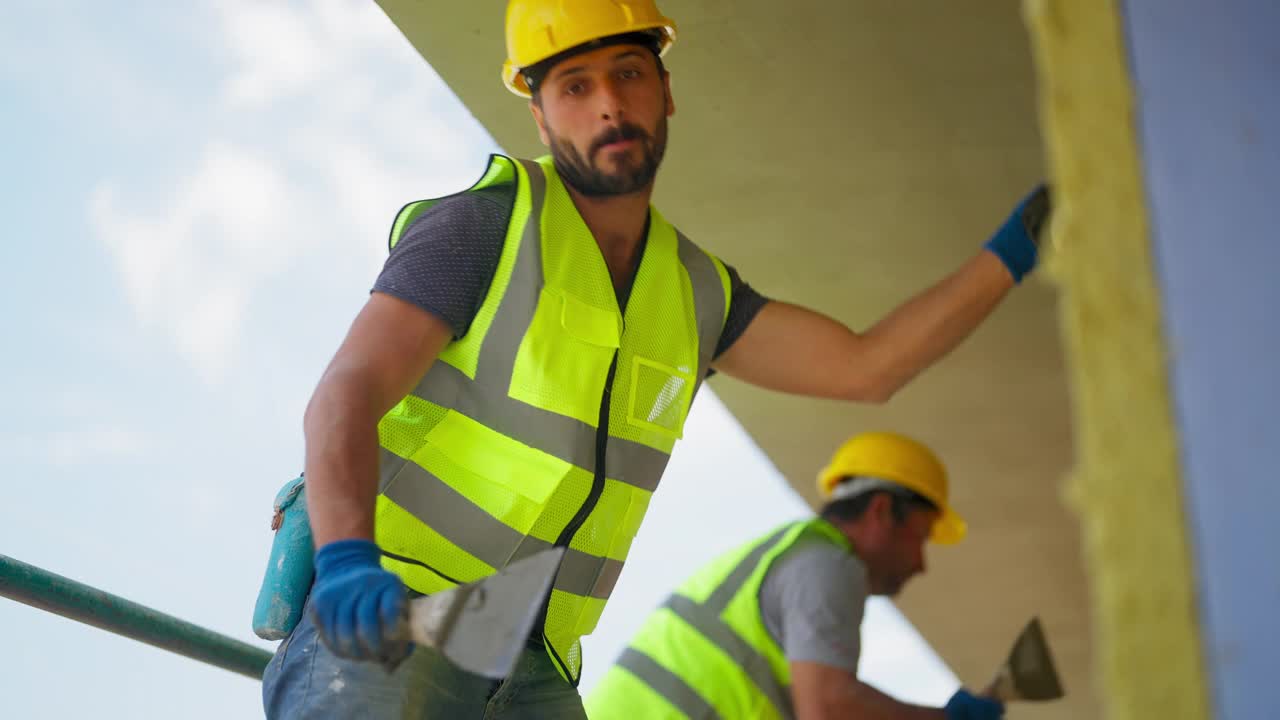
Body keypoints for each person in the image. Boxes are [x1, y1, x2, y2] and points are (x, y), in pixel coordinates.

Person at [261, 0, 1049, 717]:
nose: (609, 103)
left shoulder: (697, 295)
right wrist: (347, 559)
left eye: (629, 74)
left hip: (528, 659)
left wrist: (1012, 254)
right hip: (391, 611)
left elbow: (867, 368)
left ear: (665, 92)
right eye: (574, 86)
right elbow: (346, 394)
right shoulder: (485, 229)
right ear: (538, 116)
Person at [584, 432, 1005, 720]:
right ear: (880, 511)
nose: (921, 563)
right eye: (921, 536)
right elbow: (828, 706)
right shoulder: (827, 566)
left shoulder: (798, 557)